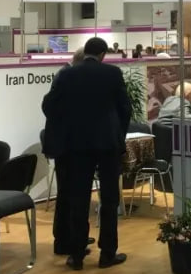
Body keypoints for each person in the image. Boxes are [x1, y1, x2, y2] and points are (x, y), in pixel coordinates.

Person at [42, 37, 131, 270]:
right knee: (109, 200)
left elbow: (49, 107)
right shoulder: (112, 73)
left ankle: (77, 255)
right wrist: (118, 136)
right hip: (107, 145)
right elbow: (125, 108)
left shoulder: (68, 74)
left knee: (78, 199)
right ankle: (108, 254)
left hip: (77, 146)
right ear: (103, 54)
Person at [46, 47, 92, 258]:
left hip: (63, 145)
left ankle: (70, 237)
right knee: (71, 195)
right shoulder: (68, 78)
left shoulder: (63, 76)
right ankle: (68, 241)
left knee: (67, 194)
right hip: (69, 146)